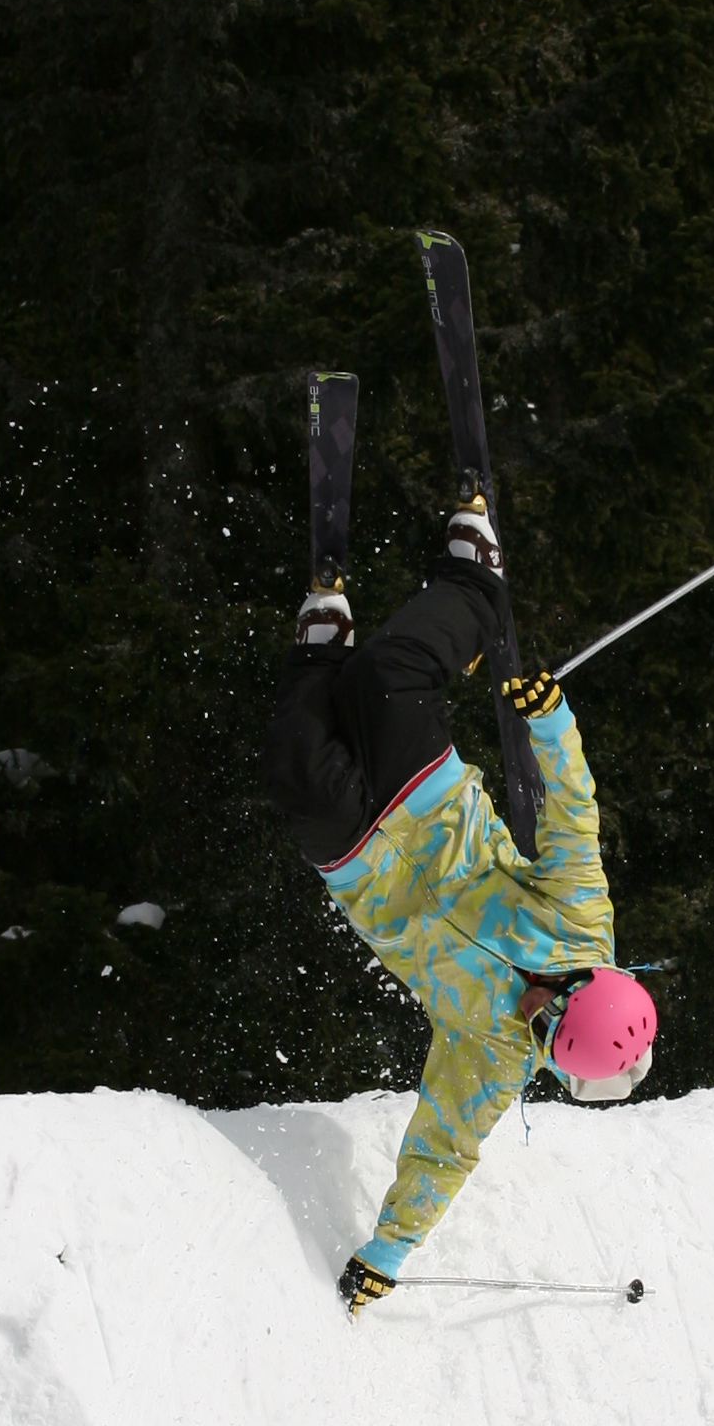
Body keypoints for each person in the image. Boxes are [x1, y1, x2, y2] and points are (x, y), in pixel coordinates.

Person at [262, 500, 659, 1313]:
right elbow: (572, 811)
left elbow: (443, 1149)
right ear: (589, 980)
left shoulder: (492, 1059)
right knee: (386, 675)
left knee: (295, 765)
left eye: (544, 1039)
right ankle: (474, 580)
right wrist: (551, 721)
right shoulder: (581, 919)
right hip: (429, 799)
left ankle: (316, 660)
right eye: (554, 1010)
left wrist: (388, 1250)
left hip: (361, 865)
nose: (534, 1014)